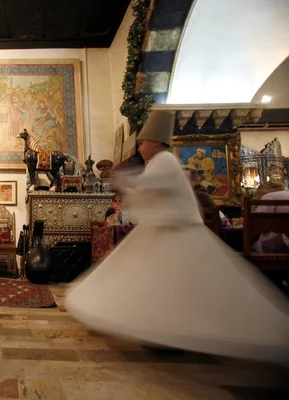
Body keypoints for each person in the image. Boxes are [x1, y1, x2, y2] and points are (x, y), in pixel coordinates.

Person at [65, 110, 289, 364]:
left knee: (168, 287)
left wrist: (123, 181)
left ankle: (166, 333)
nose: (140, 147)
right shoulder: (160, 163)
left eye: (143, 142)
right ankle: (162, 332)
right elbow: (148, 195)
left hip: (177, 235)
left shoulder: (164, 162)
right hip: (168, 231)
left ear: (156, 142)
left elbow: (145, 193)